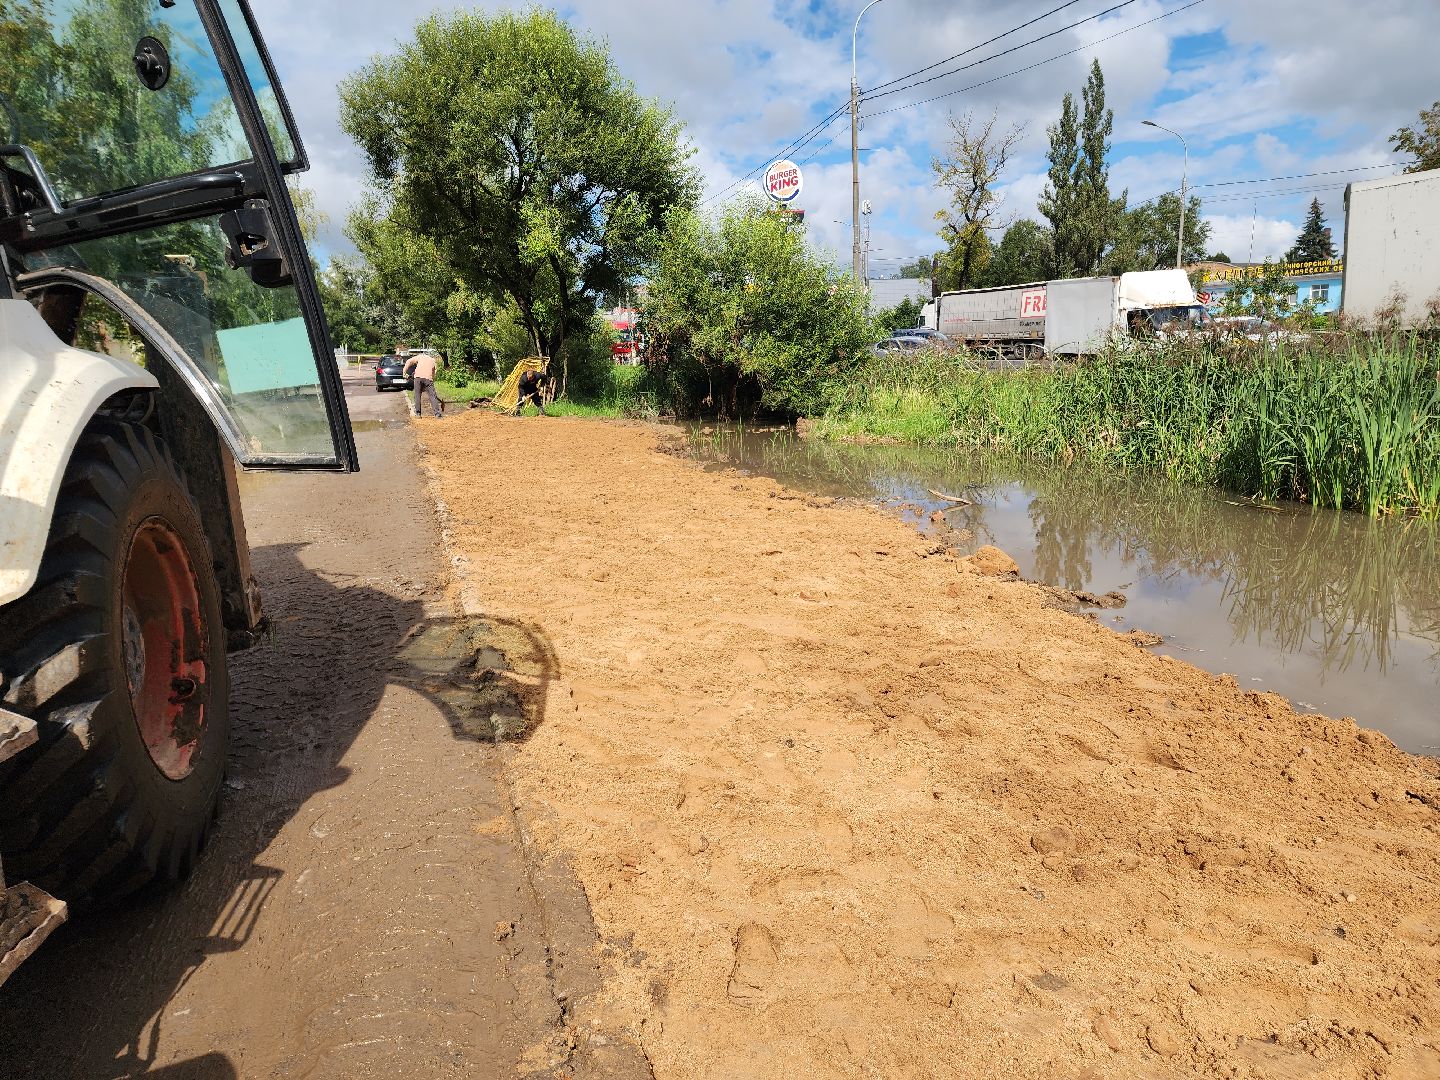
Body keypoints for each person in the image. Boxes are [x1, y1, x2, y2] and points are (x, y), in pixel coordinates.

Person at [403, 347, 443, 418]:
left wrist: (404, 373)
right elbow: (435, 371)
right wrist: (431, 379)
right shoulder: (432, 360)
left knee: (417, 395)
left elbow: (408, 361)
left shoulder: (419, 357)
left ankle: (418, 414)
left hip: (418, 378)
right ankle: (437, 414)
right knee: (432, 396)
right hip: (428, 379)